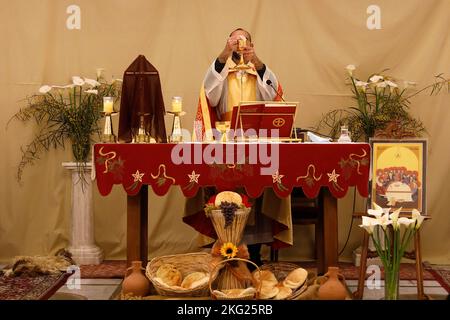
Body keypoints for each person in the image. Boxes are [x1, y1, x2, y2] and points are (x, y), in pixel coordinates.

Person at [184, 28, 292, 266]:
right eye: (235, 40)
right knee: (227, 192)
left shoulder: (259, 72)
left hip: (256, 142)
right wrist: (223, 57)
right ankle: (224, 247)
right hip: (225, 141)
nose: (240, 44)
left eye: (244, 40)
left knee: (256, 193)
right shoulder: (221, 72)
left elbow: (274, 96)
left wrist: (258, 63)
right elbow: (210, 97)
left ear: (252, 45)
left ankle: (253, 253)